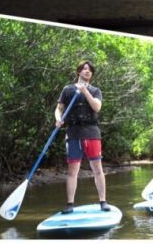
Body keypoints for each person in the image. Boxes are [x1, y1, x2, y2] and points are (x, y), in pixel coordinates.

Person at [55, 61, 110, 214]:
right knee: (72, 170)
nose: (87, 71)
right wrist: (58, 118)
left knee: (97, 169)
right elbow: (59, 109)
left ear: (91, 74)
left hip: (92, 132)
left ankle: (103, 201)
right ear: (78, 72)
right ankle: (70, 204)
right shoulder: (67, 89)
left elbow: (97, 107)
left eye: (90, 70)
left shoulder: (95, 90)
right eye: (84, 69)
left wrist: (85, 91)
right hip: (73, 132)